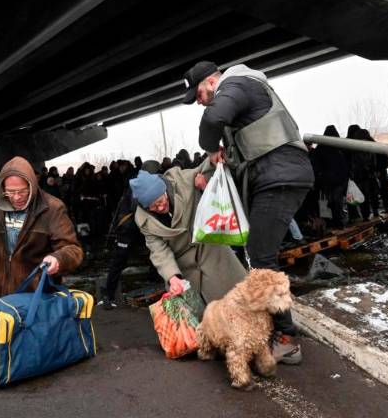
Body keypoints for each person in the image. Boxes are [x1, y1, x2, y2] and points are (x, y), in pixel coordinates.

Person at [182, 60, 314, 364]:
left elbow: (212, 119)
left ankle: (287, 340)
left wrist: (209, 146)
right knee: (258, 253)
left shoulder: (237, 83)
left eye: (199, 95)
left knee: (261, 256)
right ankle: (276, 326)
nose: (199, 103)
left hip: (280, 176)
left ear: (211, 83)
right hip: (274, 175)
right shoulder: (240, 97)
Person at [132, 162, 247, 309]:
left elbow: (210, 165)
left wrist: (206, 180)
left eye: (161, 201)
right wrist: (172, 277)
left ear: (164, 189)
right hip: (184, 267)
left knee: (240, 302)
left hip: (210, 250)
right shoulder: (143, 220)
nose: (160, 207)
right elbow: (158, 250)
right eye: (154, 207)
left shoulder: (182, 181)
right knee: (200, 319)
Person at [0, 156, 83, 296]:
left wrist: (58, 258)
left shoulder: (52, 208)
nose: (16, 197)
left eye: (22, 191)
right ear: (2, 189)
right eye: (10, 192)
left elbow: (73, 249)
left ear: (32, 185)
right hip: (5, 294)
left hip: (39, 295)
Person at [99, 160, 162, 310]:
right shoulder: (138, 184)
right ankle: (108, 294)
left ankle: (156, 281)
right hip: (128, 228)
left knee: (156, 251)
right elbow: (136, 205)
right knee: (119, 260)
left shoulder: (141, 182)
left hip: (138, 226)